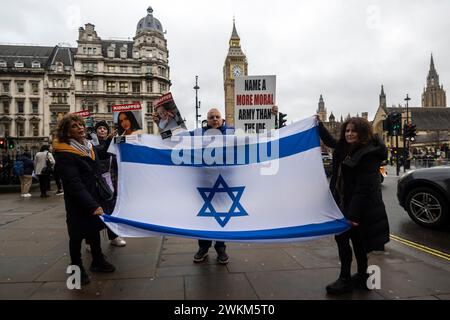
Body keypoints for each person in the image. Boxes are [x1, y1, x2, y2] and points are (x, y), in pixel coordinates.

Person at [317, 116, 390, 294]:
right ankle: (363, 277)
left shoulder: (368, 154)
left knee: (346, 240)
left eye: (353, 131)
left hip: (359, 208)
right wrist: (318, 125)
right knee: (357, 241)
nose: (349, 134)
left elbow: (364, 188)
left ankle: (345, 279)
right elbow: (331, 141)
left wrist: (353, 216)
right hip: (345, 203)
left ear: (362, 133)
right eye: (347, 130)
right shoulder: (344, 148)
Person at [53, 114, 115, 285]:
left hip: (94, 195)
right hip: (78, 201)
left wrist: (110, 139)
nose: (80, 127)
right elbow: (73, 183)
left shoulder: (88, 146)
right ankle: (76, 269)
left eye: (80, 124)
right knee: (76, 235)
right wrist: (92, 205)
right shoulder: (64, 153)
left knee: (94, 230)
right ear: (66, 131)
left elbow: (101, 154)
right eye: (74, 126)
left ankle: (97, 261)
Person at [190, 108, 234, 265]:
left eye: (217, 117)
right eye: (211, 117)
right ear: (207, 120)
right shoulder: (197, 134)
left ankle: (221, 248)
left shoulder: (233, 132)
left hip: (225, 184)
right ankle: (203, 247)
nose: (215, 119)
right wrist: (160, 126)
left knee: (221, 216)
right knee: (205, 218)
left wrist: (272, 116)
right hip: (205, 183)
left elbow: (259, 135)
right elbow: (174, 138)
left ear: (222, 119)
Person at [90, 120, 126, 248]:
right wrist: (111, 140)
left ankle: (114, 236)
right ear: (96, 131)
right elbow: (101, 152)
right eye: (99, 128)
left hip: (112, 179)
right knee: (96, 210)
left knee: (112, 209)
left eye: (104, 128)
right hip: (97, 181)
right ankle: (91, 241)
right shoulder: (91, 143)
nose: (102, 130)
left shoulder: (114, 141)